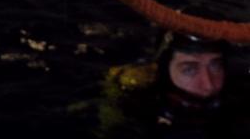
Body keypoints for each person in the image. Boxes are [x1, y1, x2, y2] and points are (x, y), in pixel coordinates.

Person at [94, 33, 247, 137]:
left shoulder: (239, 95)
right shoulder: (135, 108)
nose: (208, 84)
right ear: (165, 70)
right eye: (189, 69)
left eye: (215, 66)